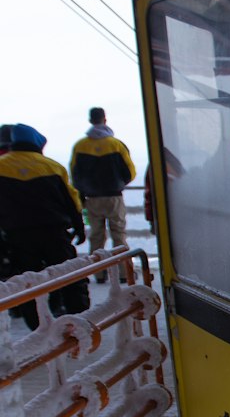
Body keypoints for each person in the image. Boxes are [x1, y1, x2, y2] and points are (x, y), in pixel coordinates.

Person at [0, 123, 89, 329]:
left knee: (27, 282)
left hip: (16, 237)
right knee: (68, 275)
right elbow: (72, 201)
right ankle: (78, 322)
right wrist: (79, 226)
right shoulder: (52, 166)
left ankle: (37, 328)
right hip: (54, 233)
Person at [69, 107, 137, 266]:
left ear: (90, 121)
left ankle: (97, 272)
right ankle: (123, 272)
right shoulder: (116, 144)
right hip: (114, 196)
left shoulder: (80, 145)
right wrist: (119, 184)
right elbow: (130, 172)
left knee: (96, 237)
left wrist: (83, 192)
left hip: (92, 198)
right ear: (105, 120)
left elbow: (75, 174)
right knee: (119, 235)